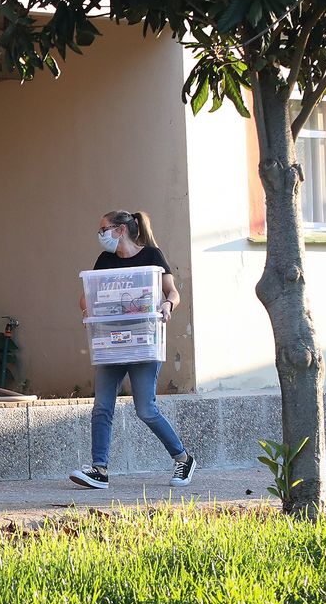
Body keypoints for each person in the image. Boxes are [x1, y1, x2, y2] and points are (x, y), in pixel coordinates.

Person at [70, 210, 195, 490]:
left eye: (104, 229)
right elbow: (87, 296)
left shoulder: (152, 256)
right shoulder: (105, 260)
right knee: (102, 406)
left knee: (146, 409)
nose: (100, 235)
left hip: (143, 341)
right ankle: (99, 469)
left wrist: (167, 305)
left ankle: (183, 458)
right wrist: (88, 309)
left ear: (121, 230)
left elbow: (172, 292)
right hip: (111, 343)